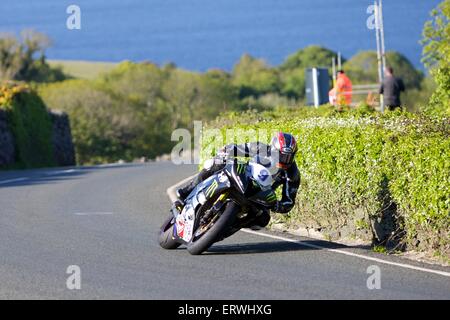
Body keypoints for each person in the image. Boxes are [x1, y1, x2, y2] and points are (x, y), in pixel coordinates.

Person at [176, 132, 300, 229]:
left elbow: (289, 201)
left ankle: (229, 227)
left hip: (260, 194)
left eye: (289, 157)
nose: (285, 160)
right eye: (282, 155)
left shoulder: (292, 173)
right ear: (273, 148)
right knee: (216, 163)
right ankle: (187, 190)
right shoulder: (261, 148)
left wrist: (278, 206)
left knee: (263, 220)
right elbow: (238, 149)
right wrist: (226, 151)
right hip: (243, 177)